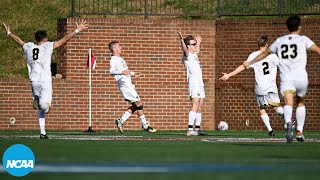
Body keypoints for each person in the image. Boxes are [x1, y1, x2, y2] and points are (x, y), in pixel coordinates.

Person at [3, 20, 88, 139]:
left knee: (40, 108)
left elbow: (18, 40)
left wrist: (9, 33)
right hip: (45, 80)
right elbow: (64, 40)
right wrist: (77, 30)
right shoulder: (47, 46)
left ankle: (42, 132)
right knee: (46, 108)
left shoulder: (29, 46)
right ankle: (41, 103)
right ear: (44, 39)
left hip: (34, 80)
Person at [243, 15, 320, 143]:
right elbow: (317, 50)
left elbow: (264, 54)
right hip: (301, 76)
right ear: (299, 27)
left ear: (287, 27)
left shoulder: (280, 41)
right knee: (300, 102)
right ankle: (299, 131)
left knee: (288, 102)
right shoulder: (303, 39)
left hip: (287, 78)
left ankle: (288, 122)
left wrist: (250, 62)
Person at [219, 35, 284, 136]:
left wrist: (229, 75)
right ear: (267, 45)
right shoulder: (273, 56)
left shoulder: (253, 55)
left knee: (262, 108)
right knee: (276, 107)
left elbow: (243, 66)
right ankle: (287, 118)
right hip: (272, 87)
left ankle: (270, 130)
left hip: (261, 87)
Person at [108, 41, 157, 133]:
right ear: (114, 49)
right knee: (139, 103)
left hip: (128, 84)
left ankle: (121, 121)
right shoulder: (114, 59)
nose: (121, 48)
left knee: (136, 105)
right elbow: (111, 71)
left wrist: (134, 74)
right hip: (125, 85)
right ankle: (145, 126)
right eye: (119, 46)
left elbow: (125, 72)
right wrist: (121, 72)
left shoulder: (120, 58)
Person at [178, 32, 206, 136]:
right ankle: (190, 129)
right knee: (195, 104)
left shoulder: (194, 54)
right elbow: (184, 50)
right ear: (188, 46)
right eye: (193, 44)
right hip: (194, 83)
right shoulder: (187, 55)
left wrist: (198, 42)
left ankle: (197, 129)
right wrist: (181, 40)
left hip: (200, 83)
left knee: (200, 105)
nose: (195, 46)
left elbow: (197, 50)